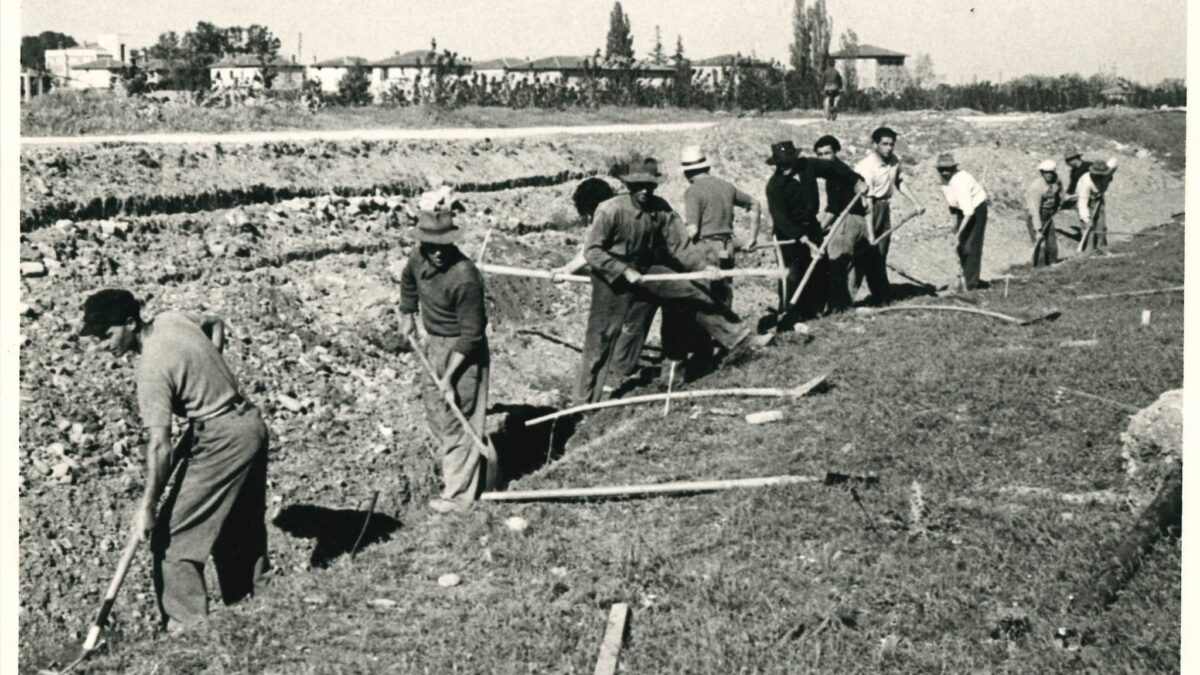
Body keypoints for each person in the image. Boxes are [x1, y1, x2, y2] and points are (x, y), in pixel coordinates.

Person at [80, 289, 269, 632]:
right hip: (249, 424)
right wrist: (206, 382)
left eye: (108, 334)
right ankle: (258, 608)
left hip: (222, 438)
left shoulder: (151, 367)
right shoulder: (171, 319)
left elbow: (159, 446)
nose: (104, 344)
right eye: (97, 337)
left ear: (130, 322)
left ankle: (188, 630)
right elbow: (215, 322)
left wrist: (148, 505)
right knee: (238, 525)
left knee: (171, 538)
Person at [572, 169, 752, 404]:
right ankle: (584, 403)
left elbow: (681, 246)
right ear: (629, 186)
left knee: (692, 292)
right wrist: (623, 270)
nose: (645, 191)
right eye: (639, 186)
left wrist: (702, 266)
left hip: (647, 270)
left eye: (650, 186)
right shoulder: (611, 210)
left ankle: (738, 338)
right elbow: (592, 251)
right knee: (601, 339)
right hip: (611, 278)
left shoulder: (661, 209)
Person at [399, 209, 493, 513]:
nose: (438, 252)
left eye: (444, 246)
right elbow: (408, 280)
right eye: (432, 246)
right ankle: (463, 468)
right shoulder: (419, 257)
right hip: (434, 343)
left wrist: (450, 377)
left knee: (458, 419)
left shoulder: (465, 277)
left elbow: (472, 336)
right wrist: (407, 314)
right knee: (436, 414)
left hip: (464, 351)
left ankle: (459, 498)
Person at [666, 144, 763, 376]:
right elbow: (755, 205)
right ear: (706, 165)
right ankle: (726, 349)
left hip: (706, 250)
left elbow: (692, 229)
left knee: (704, 301)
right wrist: (752, 238)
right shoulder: (726, 186)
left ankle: (705, 356)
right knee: (724, 296)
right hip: (727, 247)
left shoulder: (694, 191)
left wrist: (673, 248)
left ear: (687, 172)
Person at [751, 140, 863, 323]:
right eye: (781, 165)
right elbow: (781, 219)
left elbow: (834, 167)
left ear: (795, 160)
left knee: (821, 270)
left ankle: (814, 313)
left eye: (788, 163)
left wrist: (857, 180)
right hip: (788, 234)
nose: (785, 168)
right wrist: (806, 241)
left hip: (811, 226)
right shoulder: (774, 186)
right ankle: (788, 316)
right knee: (792, 274)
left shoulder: (807, 166)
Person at [850, 127, 927, 300]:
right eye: (884, 144)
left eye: (891, 144)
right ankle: (846, 300)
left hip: (884, 208)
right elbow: (867, 201)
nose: (889, 148)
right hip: (866, 210)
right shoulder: (865, 166)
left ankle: (880, 295)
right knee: (862, 255)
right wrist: (870, 232)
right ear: (875, 144)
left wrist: (916, 202)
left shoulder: (893, 160)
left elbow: (899, 181)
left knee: (880, 254)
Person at [812, 135, 877, 311]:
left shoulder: (835, 174)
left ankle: (838, 307)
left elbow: (833, 210)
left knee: (837, 264)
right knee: (850, 265)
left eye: (828, 153)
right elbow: (855, 177)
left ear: (836, 152)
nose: (824, 158)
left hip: (847, 221)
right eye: (820, 154)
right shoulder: (841, 170)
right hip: (856, 220)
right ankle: (845, 305)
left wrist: (818, 230)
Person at [935, 153, 990, 290]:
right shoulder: (943, 180)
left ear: (954, 168)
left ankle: (971, 284)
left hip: (976, 209)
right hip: (962, 210)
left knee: (971, 245)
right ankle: (964, 277)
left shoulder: (960, 181)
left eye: (948, 168)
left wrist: (958, 234)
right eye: (942, 169)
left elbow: (969, 211)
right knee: (961, 246)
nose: (945, 172)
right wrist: (955, 227)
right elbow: (952, 205)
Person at [1025, 159, 1063, 266]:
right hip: (1036, 214)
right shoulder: (1036, 187)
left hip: (1048, 213)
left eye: (1051, 172)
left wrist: (1058, 206)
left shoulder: (1057, 180)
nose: (1049, 175)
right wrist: (1038, 229)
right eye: (1046, 173)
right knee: (1040, 241)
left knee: (1051, 240)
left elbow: (1060, 193)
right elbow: (1034, 210)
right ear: (1041, 173)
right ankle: (1039, 266)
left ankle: (1052, 262)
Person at [1076, 158, 1117, 251]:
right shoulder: (1086, 182)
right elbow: (1082, 203)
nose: (1100, 177)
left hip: (1099, 200)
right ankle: (1088, 252)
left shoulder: (1107, 173)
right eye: (1098, 175)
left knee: (1101, 228)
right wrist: (1087, 219)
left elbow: (1114, 162)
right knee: (1089, 230)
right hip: (1088, 202)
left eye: (1102, 175)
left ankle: (1101, 249)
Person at [821, 57, 844, 121]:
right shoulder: (836, 72)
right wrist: (841, 87)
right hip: (834, 88)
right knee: (836, 96)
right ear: (834, 64)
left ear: (828, 64)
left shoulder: (825, 72)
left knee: (827, 97)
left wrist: (821, 88)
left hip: (827, 88)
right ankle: (834, 107)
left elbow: (822, 81)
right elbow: (840, 80)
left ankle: (828, 110)